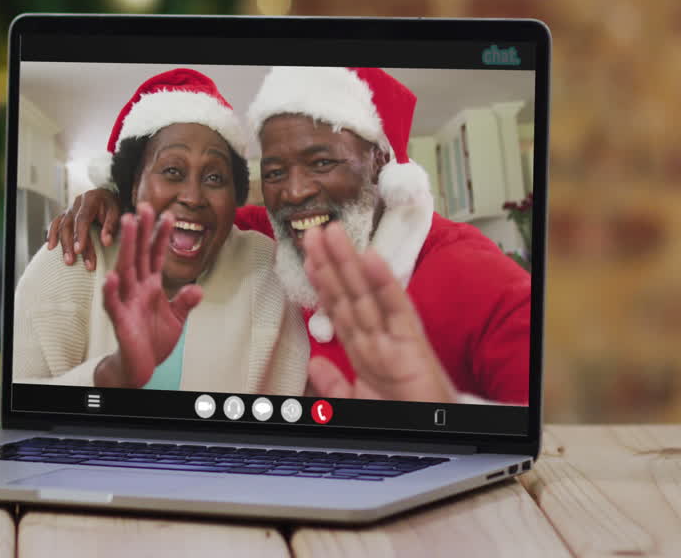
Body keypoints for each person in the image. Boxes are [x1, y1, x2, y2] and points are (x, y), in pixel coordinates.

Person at [47, 66, 531, 405]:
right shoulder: (272, 240)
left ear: (381, 161)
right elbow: (197, 221)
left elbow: (547, 443)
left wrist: (438, 416)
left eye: (322, 163)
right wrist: (111, 197)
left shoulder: (485, 281)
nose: (294, 192)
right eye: (276, 170)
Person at [14, 68, 308, 394]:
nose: (194, 197)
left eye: (214, 178)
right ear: (130, 186)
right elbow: (17, 409)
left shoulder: (266, 268)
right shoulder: (71, 257)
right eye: (171, 171)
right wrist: (113, 374)